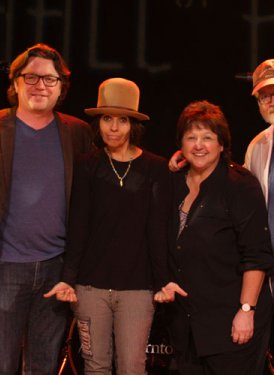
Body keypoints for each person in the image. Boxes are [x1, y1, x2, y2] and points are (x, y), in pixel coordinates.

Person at [44, 77, 185, 375]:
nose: (113, 127)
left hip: (137, 289)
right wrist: (69, 278)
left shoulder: (155, 168)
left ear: (133, 125)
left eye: (122, 120)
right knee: (96, 367)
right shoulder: (87, 165)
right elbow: (79, 225)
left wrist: (163, 279)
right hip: (90, 287)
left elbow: (157, 229)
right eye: (107, 118)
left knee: (132, 368)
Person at [155, 100, 274, 375]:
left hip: (232, 322)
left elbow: (256, 254)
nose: (199, 145)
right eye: (191, 137)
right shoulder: (172, 182)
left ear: (221, 144)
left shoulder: (240, 185)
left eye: (208, 137)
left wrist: (246, 310)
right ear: (180, 145)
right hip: (186, 326)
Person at [0, 43, 93, 375]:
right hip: (5, 268)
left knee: (43, 365)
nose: (40, 85)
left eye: (49, 79)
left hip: (56, 269)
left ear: (61, 87)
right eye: (31, 77)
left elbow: (109, 175)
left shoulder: (77, 132)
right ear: (15, 83)